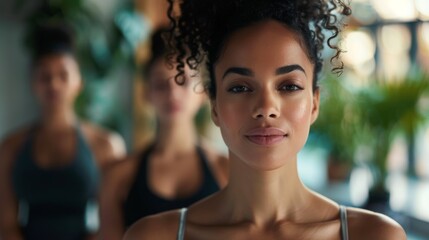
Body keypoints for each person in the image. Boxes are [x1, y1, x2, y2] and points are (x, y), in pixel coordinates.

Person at [124, 0, 407, 239]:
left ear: (314, 103)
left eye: (289, 86)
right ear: (214, 106)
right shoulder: (153, 235)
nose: (266, 108)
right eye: (240, 87)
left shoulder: (374, 235)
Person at [99, 29, 228, 240]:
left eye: (183, 81)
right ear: (146, 93)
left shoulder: (226, 170)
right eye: (160, 84)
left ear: (203, 92)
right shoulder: (117, 176)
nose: (173, 93)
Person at [0, 24, 126, 240]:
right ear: (33, 82)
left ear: (79, 82)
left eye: (63, 75)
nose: (54, 84)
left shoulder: (105, 145)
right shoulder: (11, 147)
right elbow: (6, 225)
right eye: (44, 76)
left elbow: (111, 222)